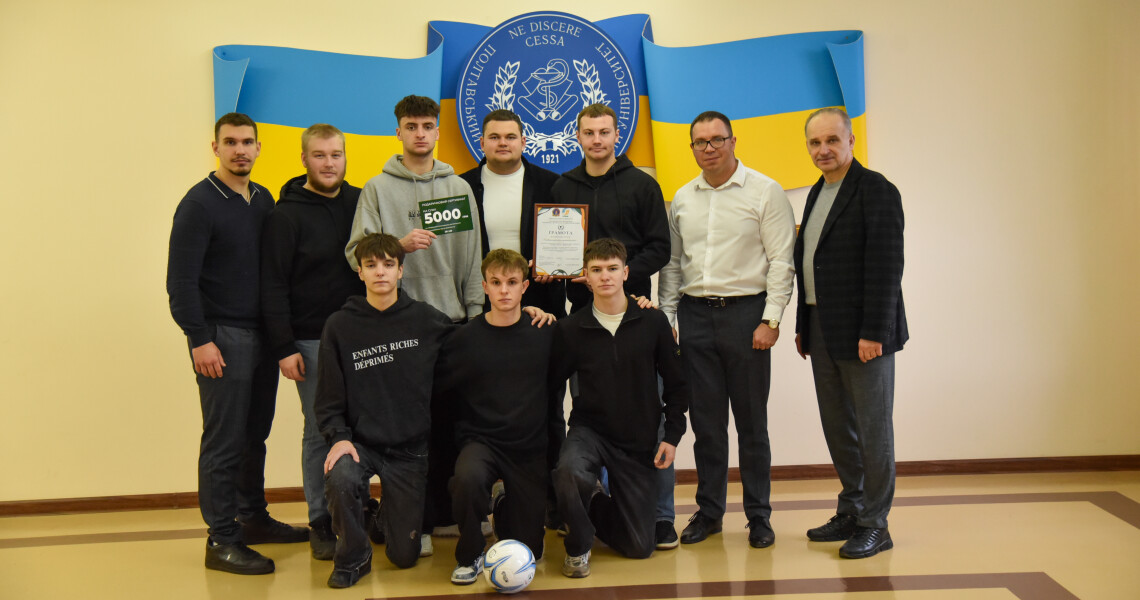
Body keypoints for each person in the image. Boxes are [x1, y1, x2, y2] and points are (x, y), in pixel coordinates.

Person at [166, 112, 307, 576]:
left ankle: (252, 518)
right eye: (231, 142)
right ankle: (221, 539)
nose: (240, 150)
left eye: (248, 142)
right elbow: (180, 282)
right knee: (224, 441)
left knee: (254, 436)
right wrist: (199, 339)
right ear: (216, 148)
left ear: (259, 148)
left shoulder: (263, 199)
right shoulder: (199, 204)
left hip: (262, 337)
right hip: (222, 338)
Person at [344, 95, 483, 554]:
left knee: (454, 423)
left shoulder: (459, 188)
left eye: (427, 125)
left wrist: (475, 314)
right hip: (399, 327)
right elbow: (355, 253)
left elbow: (471, 256)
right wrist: (396, 245)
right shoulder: (377, 189)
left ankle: (451, 515)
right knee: (411, 428)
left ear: (438, 132)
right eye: (411, 125)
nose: (420, 133)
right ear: (398, 132)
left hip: (454, 323)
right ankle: (415, 522)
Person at [658, 111, 796, 549]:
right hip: (695, 317)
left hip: (747, 318)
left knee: (752, 425)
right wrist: (668, 318)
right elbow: (674, 265)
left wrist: (771, 319)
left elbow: (781, 262)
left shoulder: (765, 191)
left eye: (717, 139)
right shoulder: (682, 198)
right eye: (700, 142)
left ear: (734, 140)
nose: (709, 148)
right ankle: (710, 512)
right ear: (693, 148)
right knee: (707, 425)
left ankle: (759, 516)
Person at [794, 107, 907, 559]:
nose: (823, 150)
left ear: (851, 140)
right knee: (838, 425)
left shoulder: (876, 190)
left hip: (864, 333)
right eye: (814, 143)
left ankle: (876, 524)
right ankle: (852, 507)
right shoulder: (818, 192)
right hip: (822, 327)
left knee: (872, 429)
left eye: (831, 141)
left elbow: (886, 268)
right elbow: (813, 262)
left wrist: (874, 332)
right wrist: (804, 325)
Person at [316, 233, 455, 588]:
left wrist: (522, 313)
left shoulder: (427, 320)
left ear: (401, 271)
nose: (380, 272)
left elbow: (473, 342)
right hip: (361, 443)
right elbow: (329, 398)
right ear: (359, 273)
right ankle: (353, 556)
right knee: (342, 476)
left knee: (403, 558)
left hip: (410, 449)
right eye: (371, 265)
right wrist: (338, 438)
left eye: (388, 265)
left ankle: (376, 519)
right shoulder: (340, 326)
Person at [550, 238, 688, 578]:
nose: (605, 276)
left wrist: (671, 436)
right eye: (596, 270)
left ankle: (594, 501)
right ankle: (578, 545)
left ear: (626, 273)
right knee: (569, 471)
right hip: (589, 432)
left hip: (636, 440)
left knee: (640, 547)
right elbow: (548, 385)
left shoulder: (652, 323)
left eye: (612, 269)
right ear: (585, 276)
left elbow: (677, 384)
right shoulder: (571, 329)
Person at [259, 123, 363, 560]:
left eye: (335, 154)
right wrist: (283, 347)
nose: (328, 163)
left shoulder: (361, 201)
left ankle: (352, 510)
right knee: (320, 429)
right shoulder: (285, 215)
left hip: (360, 335)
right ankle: (321, 519)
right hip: (309, 340)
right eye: (319, 155)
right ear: (303, 159)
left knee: (360, 426)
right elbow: (272, 286)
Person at [435, 249, 562, 585]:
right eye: (496, 282)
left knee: (530, 552)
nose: (504, 290)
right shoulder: (462, 340)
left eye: (512, 282)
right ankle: (471, 553)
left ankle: (505, 504)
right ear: (484, 287)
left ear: (525, 287)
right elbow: (441, 394)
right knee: (467, 476)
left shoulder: (545, 332)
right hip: (482, 442)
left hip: (528, 448)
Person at [550, 103, 670, 313]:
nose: (597, 140)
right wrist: (549, 267)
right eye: (589, 133)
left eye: (604, 132)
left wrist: (617, 276)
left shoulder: (644, 186)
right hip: (581, 306)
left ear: (617, 135)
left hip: (633, 301)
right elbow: (554, 246)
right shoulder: (563, 188)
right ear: (578, 137)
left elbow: (659, 249)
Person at [459, 109, 566, 317]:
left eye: (510, 137)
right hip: (482, 304)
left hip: (541, 302)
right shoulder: (461, 187)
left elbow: (564, 239)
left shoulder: (552, 185)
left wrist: (555, 264)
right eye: (494, 137)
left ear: (523, 142)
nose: (502, 143)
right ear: (482, 143)